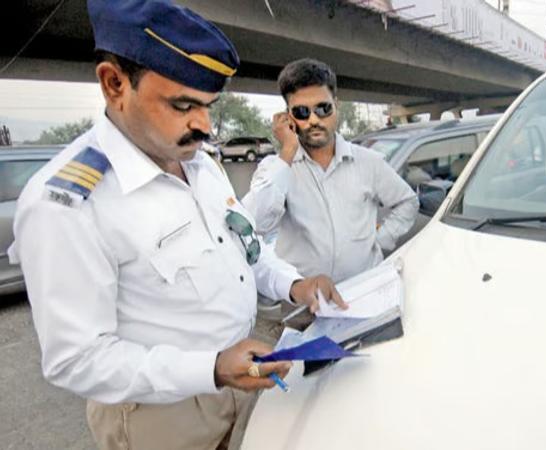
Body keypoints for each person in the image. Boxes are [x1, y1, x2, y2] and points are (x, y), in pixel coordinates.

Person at [8, 1, 345, 449]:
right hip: (162, 417)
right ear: (114, 84)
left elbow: (246, 248)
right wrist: (210, 368)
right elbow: (77, 360)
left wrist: (295, 285)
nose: (204, 126)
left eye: (208, 105)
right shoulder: (68, 205)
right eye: (183, 104)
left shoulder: (199, 164)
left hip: (239, 378)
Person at [242, 59, 419, 287]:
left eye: (323, 108)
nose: (314, 120)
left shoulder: (368, 162)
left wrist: (379, 241)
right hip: (304, 301)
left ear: (336, 105)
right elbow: (254, 223)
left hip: (363, 290)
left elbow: (407, 202)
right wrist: (287, 151)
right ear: (288, 117)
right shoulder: (277, 168)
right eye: (302, 112)